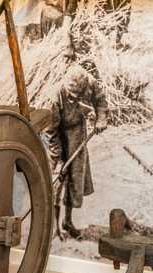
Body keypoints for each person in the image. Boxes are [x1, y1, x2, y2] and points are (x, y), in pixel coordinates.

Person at [45, 65, 108, 239]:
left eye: (78, 96)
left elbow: (101, 99)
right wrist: (58, 160)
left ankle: (68, 221)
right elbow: (50, 132)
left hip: (77, 134)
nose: (75, 99)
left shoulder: (90, 84)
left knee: (75, 180)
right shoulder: (54, 98)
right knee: (57, 182)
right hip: (57, 137)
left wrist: (101, 118)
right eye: (72, 96)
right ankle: (54, 228)